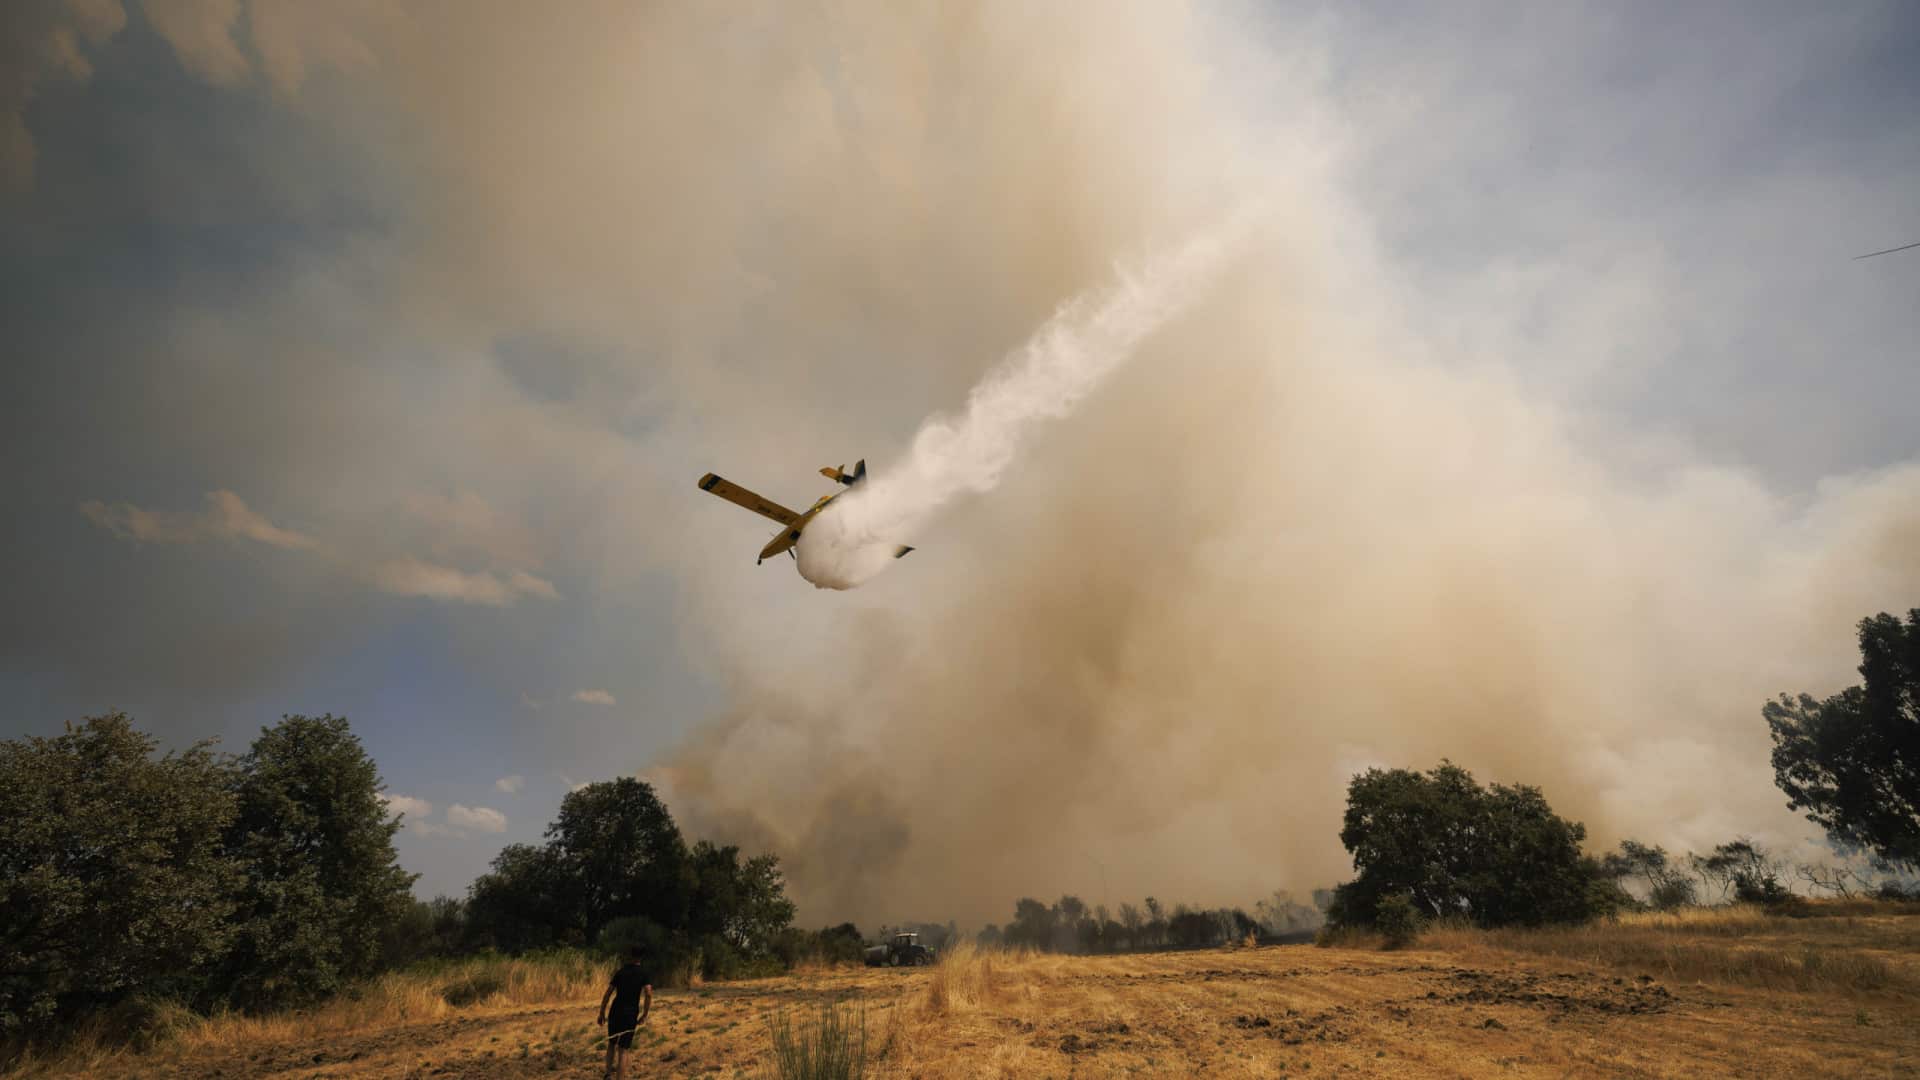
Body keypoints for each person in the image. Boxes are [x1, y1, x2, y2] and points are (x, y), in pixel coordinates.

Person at [597, 946, 652, 1080]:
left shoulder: (621, 972)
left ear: (630, 955)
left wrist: (602, 1012)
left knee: (611, 1043)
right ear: (642, 957)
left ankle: (607, 1075)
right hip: (630, 1014)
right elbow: (649, 993)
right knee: (623, 1049)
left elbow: (608, 993)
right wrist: (644, 1014)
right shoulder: (643, 974)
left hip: (615, 1012)